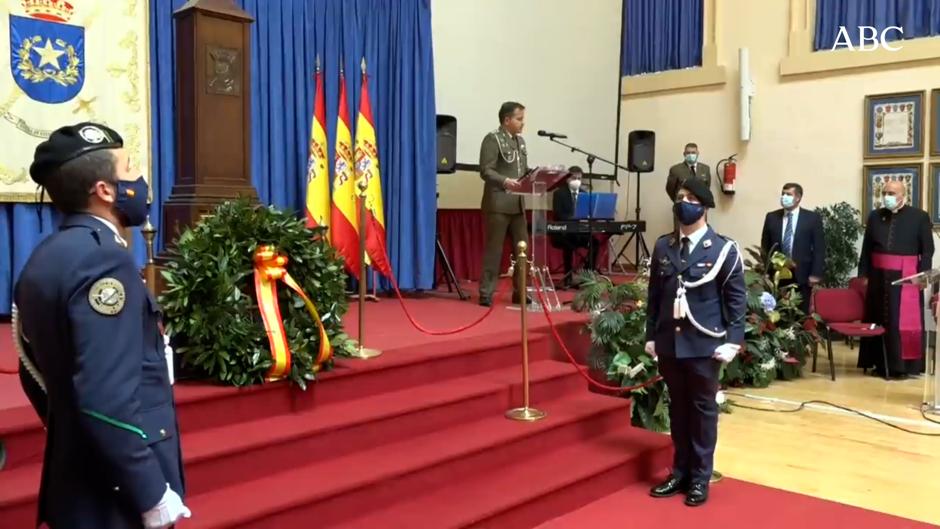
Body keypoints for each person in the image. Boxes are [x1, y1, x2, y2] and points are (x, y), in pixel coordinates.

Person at [14, 123, 189, 529]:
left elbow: (31, 370)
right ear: (106, 190)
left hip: (76, 478)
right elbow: (105, 397)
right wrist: (151, 494)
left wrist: (74, 427)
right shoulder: (103, 262)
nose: (140, 180)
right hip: (114, 496)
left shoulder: (46, 256)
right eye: (130, 169)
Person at [644, 178, 746, 507]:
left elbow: (735, 300)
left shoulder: (722, 249)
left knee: (703, 413)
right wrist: (651, 337)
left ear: (704, 206)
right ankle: (679, 471)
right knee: (678, 411)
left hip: (705, 344)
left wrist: (733, 340)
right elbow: (655, 298)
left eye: (689, 198)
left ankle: (700, 478)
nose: (683, 203)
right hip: (671, 345)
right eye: (679, 197)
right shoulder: (663, 246)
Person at [857, 180, 933, 379]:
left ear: (902, 194)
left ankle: (902, 367)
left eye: (891, 192)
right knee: (878, 319)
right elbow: (866, 249)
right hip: (878, 278)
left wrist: (923, 277)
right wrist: (863, 274)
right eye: (884, 192)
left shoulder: (919, 217)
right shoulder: (875, 216)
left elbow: (927, 251)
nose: (887, 196)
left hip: (905, 278)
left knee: (899, 322)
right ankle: (878, 363)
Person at [479, 101, 529, 306]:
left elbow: (522, 170)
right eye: (519, 119)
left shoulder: (521, 142)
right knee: (495, 250)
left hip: (518, 204)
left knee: (523, 250)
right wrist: (505, 180)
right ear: (506, 120)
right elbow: (486, 170)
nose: (522, 123)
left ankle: (520, 291)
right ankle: (486, 292)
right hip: (498, 203)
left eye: (523, 119)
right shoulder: (493, 139)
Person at [760, 183, 825, 314]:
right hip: (777, 276)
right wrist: (765, 271)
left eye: (788, 194)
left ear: (798, 198)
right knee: (777, 314)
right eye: (783, 194)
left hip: (802, 275)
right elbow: (765, 246)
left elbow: (819, 248)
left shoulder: (812, 218)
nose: (784, 197)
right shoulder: (771, 217)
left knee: (800, 315)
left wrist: (815, 274)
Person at [550, 166, 599, 288]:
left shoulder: (584, 194)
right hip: (563, 233)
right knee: (569, 245)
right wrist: (574, 218)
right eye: (574, 178)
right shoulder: (559, 194)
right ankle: (568, 277)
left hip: (579, 232)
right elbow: (558, 214)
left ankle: (587, 276)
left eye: (579, 178)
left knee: (595, 243)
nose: (576, 180)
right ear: (567, 179)